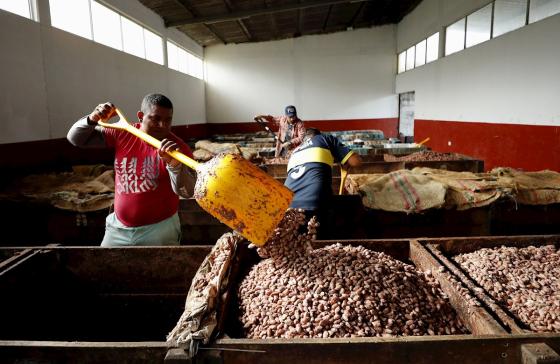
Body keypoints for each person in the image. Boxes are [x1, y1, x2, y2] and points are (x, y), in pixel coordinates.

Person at [67, 93, 195, 247]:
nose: (163, 125)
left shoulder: (178, 148)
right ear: (141, 116)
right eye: (156, 119)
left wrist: (174, 165)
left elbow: (187, 192)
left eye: (168, 120)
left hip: (159, 230)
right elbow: (75, 138)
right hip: (118, 228)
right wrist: (92, 118)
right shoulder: (123, 133)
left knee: (160, 270)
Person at [284, 128, 361, 238]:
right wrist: (341, 158)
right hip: (314, 202)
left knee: (299, 246)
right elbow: (355, 161)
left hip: (288, 206)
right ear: (317, 135)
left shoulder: (294, 152)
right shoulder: (324, 138)